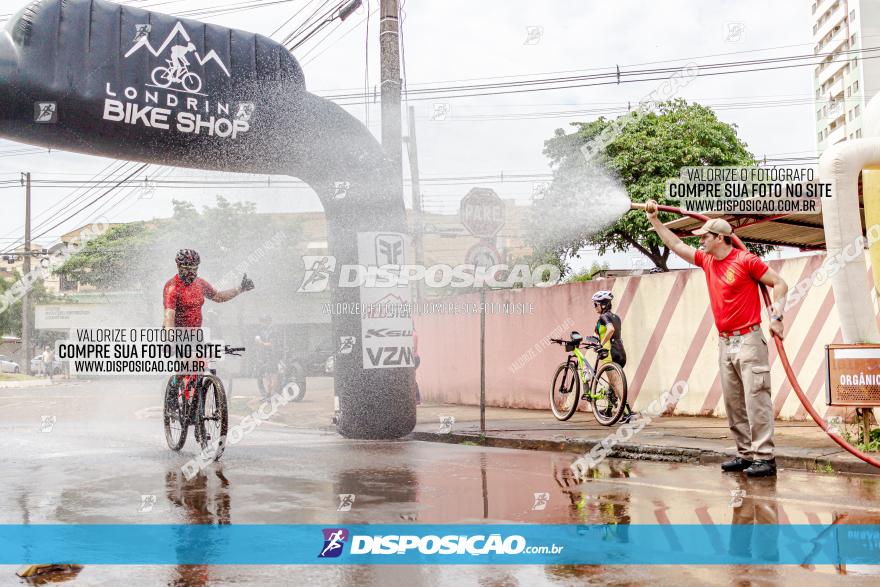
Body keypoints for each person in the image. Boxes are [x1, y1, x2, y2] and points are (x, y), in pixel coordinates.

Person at [643, 200, 788, 477]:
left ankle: (765, 458)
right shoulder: (707, 261)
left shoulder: (746, 261)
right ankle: (746, 455)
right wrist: (655, 221)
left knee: (756, 399)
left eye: (705, 237)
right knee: (734, 402)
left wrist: (777, 317)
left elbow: (780, 283)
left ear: (720, 238)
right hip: (725, 342)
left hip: (749, 339)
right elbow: (676, 246)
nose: (701, 242)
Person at [163, 249, 253, 329]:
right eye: (187, 269)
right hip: (176, 337)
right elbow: (169, 317)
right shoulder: (172, 287)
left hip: (195, 337)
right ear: (179, 267)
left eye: (194, 269)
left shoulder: (200, 283)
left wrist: (241, 288)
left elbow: (219, 297)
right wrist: (171, 342)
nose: (191, 272)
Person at [591, 291, 634, 423]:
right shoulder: (616, 317)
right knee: (612, 383)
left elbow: (610, 330)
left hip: (610, 353)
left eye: (595, 304)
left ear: (603, 305)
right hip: (621, 352)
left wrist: (601, 344)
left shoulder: (604, 317)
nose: (594, 307)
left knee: (616, 383)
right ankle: (609, 410)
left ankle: (627, 412)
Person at [254, 315, 281, 398]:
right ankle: (269, 395)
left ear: (268, 321)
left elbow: (272, 344)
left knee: (273, 376)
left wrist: (261, 343)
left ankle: (273, 395)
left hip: (272, 356)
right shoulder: (265, 331)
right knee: (268, 376)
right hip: (267, 356)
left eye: (263, 321)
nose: (261, 324)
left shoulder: (273, 331)